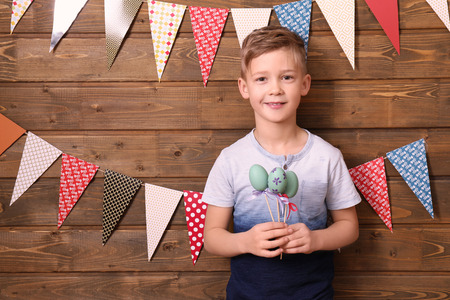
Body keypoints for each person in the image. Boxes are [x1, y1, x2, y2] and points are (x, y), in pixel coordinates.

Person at [202, 25, 361, 299]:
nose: (275, 89)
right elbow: (212, 237)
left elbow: (349, 227)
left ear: (304, 84)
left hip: (314, 294)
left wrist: (316, 239)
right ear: (244, 88)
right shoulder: (231, 160)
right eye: (262, 79)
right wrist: (245, 241)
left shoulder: (327, 157)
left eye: (286, 77)